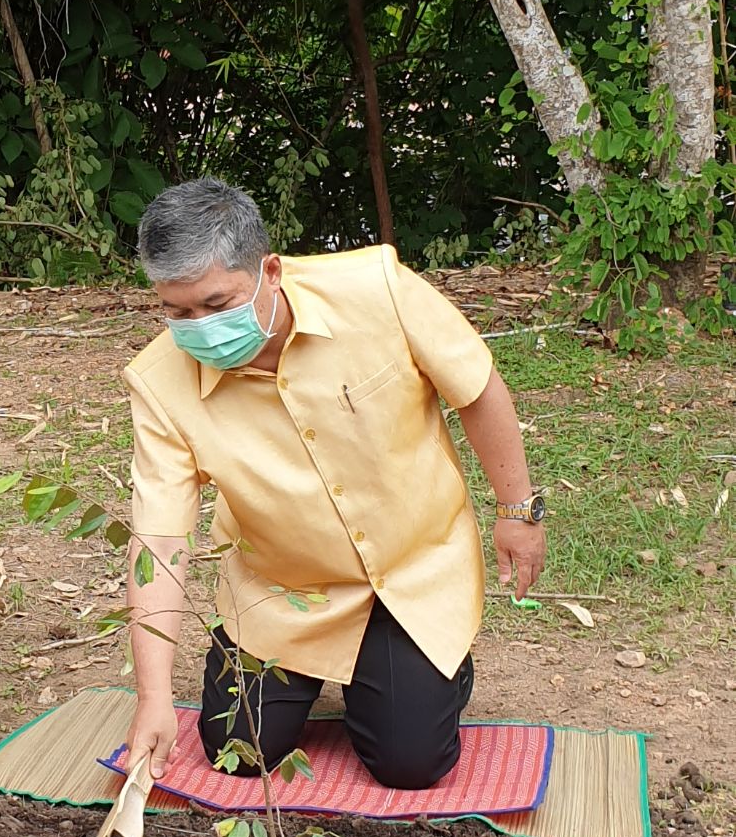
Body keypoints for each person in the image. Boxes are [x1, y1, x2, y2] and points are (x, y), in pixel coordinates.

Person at [123, 178, 547, 790]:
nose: (199, 328)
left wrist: (517, 510)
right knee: (238, 751)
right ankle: (333, 673)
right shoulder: (158, 381)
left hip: (412, 574)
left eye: (217, 305)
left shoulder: (377, 289)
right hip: (280, 590)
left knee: (410, 763)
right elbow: (160, 543)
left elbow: (477, 388)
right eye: (177, 311)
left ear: (270, 271)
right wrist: (153, 695)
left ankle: (434, 668)